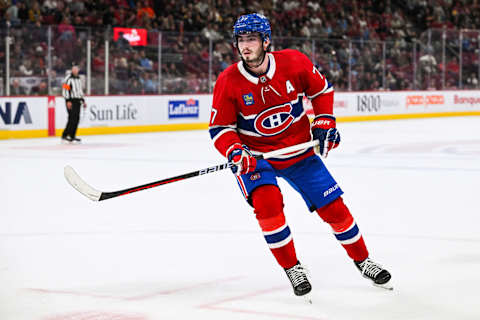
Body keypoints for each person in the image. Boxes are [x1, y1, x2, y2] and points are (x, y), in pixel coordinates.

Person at [208, 13, 392, 298]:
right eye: (241, 40)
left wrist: (325, 121)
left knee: (335, 209)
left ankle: (363, 260)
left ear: (266, 41)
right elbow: (220, 128)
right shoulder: (228, 81)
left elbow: (321, 90)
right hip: (257, 158)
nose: (245, 46)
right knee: (268, 209)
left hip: (299, 152)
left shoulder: (294, 61)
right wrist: (235, 150)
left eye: (252, 40)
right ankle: (292, 267)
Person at [62, 64, 86, 143]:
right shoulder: (68, 78)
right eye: (74, 69)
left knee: (76, 118)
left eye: (76, 69)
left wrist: (83, 100)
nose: (75, 70)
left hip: (77, 101)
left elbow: (79, 90)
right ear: (72, 70)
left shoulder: (79, 79)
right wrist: (68, 100)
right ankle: (65, 135)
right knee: (72, 118)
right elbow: (65, 90)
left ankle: (72, 135)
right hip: (71, 101)